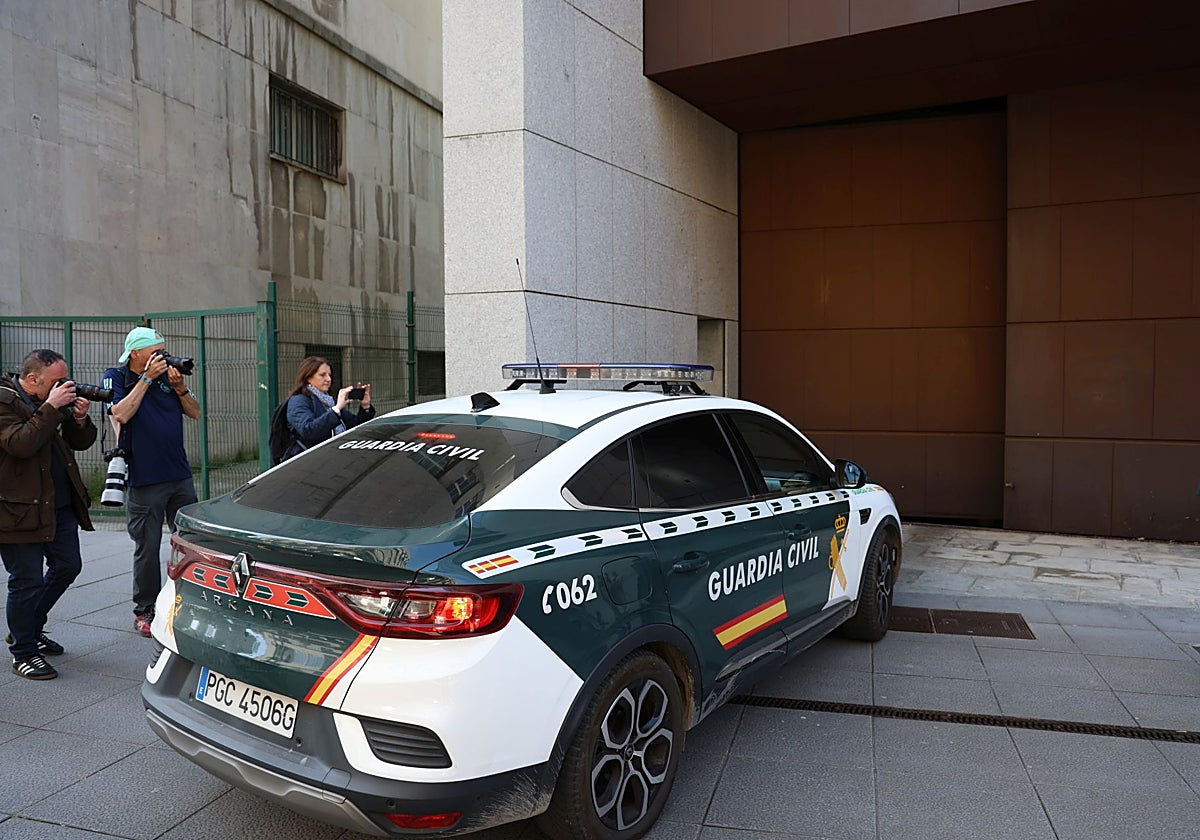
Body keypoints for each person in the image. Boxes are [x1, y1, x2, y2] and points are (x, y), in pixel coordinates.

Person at [0, 349, 97, 680]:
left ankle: (27, 628)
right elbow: (20, 444)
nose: (65, 386)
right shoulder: (4, 401)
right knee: (26, 580)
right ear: (31, 380)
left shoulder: (50, 402)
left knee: (68, 566)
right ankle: (23, 652)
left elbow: (79, 443)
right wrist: (52, 407)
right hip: (17, 509)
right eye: (57, 381)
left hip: (58, 506)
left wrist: (79, 419)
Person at [102, 327, 200, 637]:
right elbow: (120, 413)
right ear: (136, 354)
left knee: (191, 543)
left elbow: (196, 413)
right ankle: (145, 609)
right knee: (147, 547)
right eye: (155, 350)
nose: (162, 356)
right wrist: (146, 379)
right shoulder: (117, 377)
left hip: (179, 474)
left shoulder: (168, 378)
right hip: (144, 477)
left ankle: (192, 602)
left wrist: (181, 387)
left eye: (163, 349)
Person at [282, 356, 374, 460]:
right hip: (309, 462)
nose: (329, 379)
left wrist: (365, 406)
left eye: (329, 375)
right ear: (308, 378)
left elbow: (355, 426)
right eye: (322, 375)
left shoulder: (328, 401)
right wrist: (336, 410)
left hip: (335, 458)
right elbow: (308, 431)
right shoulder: (298, 401)